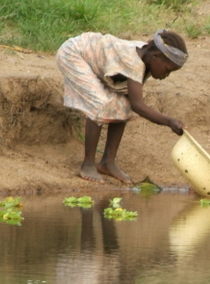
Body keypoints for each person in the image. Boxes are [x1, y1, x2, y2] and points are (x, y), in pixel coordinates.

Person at [56, 29, 187, 183]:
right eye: (167, 70)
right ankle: (88, 164)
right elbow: (138, 105)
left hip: (94, 61)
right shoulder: (134, 62)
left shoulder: (148, 56)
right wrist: (168, 121)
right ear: (156, 56)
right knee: (99, 104)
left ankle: (107, 162)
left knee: (124, 105)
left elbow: (131, 101)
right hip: (74, 54)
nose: (167, 75)